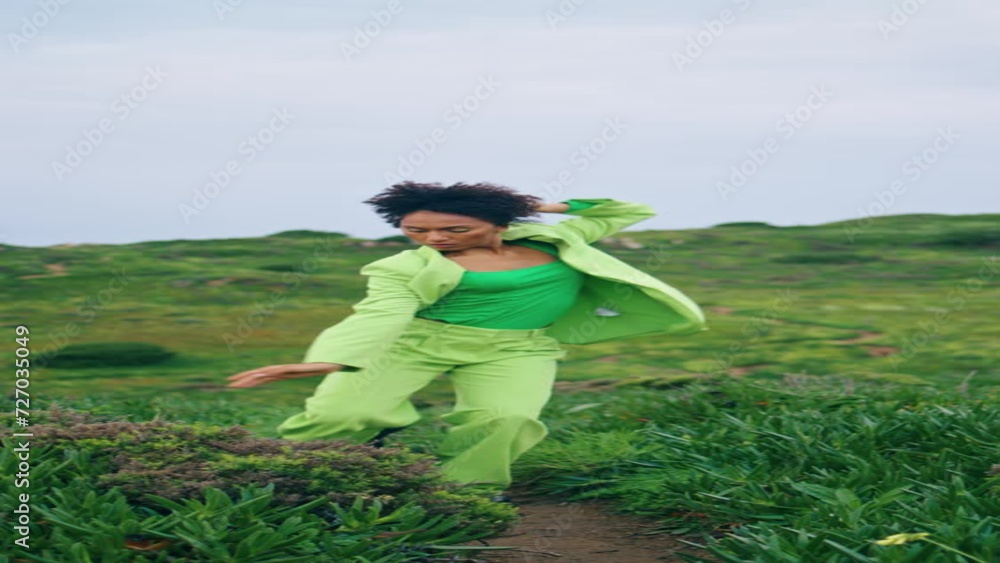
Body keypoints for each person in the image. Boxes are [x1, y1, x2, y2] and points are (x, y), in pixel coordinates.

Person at [226, 181, 708, 501]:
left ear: (499, 225)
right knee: (341, 414)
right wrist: (328, 360)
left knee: (507, 419)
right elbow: (380, 314)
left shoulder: (554, 238)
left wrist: (529, 206)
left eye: (455, 228)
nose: (434, 238)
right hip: (414, 342)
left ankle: (464, 493)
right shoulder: (403, 266)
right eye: (416, 229)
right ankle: (285, 480)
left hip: (517, 347)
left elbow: (629, 209)